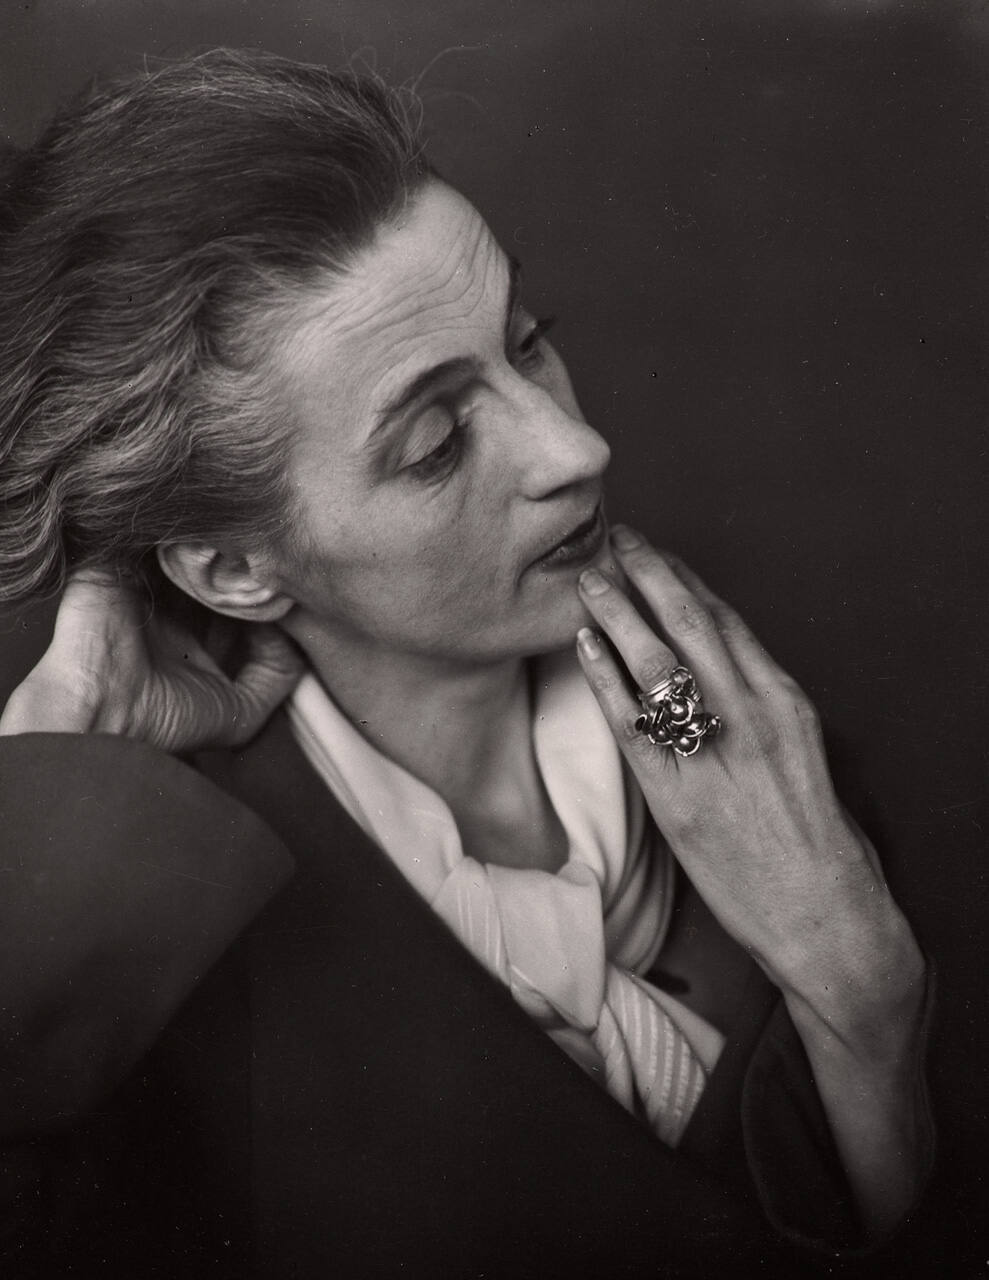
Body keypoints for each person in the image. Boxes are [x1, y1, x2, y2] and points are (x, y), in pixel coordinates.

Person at [0, 49, 932, 1278]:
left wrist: (863, 989)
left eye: (526, 343)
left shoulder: (725, 719)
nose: (575, 447)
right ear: (232, 568)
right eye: (438, 442)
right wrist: (54, 755)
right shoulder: (155, 942)